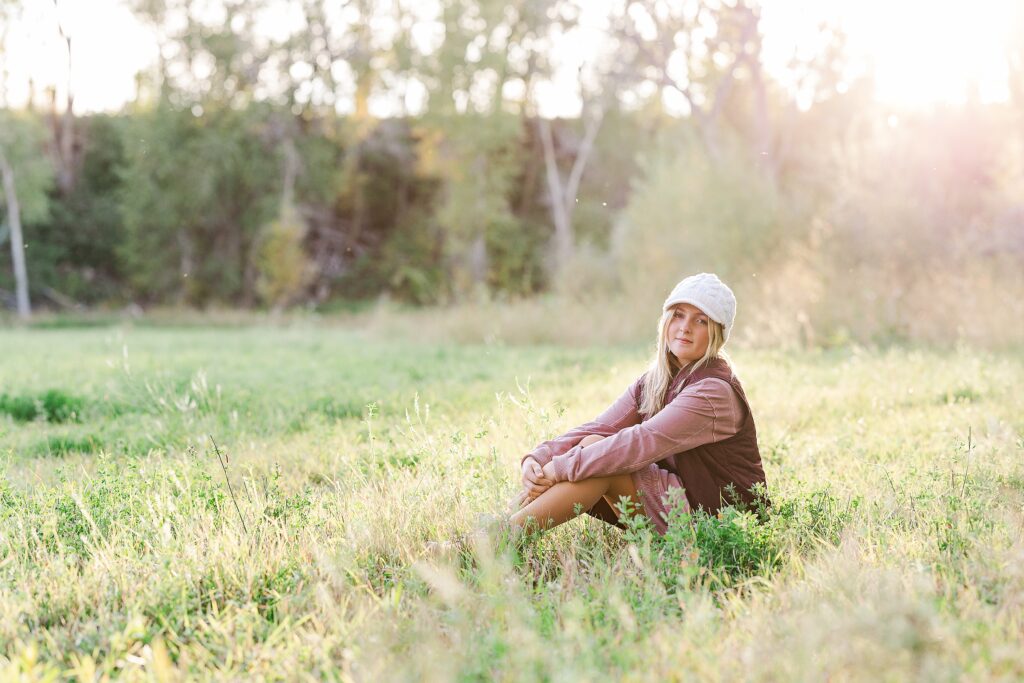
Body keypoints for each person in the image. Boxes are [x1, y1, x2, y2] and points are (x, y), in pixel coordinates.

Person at [508, 273, 768, 535]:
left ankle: (501, 538)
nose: (685, 327)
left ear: (716, 335)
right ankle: (502, 531)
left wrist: (558, 469)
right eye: (678, 314)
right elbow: (600, 427)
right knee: (593, 444)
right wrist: (539, 458)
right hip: (684, 501)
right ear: (665, 320)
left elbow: (643, 440)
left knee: (603, 461)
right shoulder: (655, 381)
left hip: (720, 521)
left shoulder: (713, 390)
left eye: (700, 321)